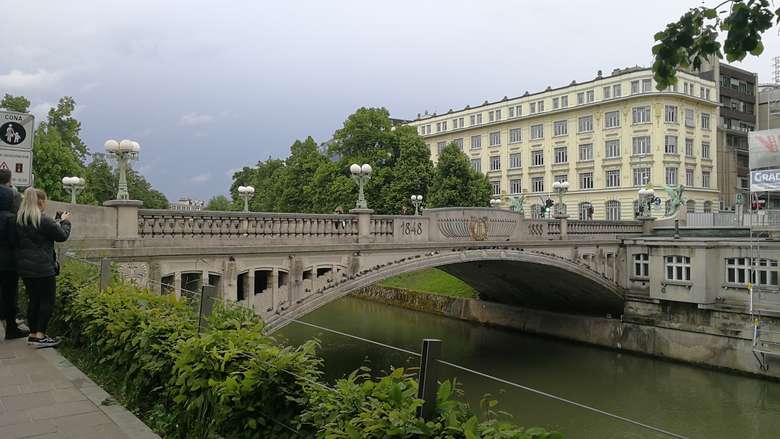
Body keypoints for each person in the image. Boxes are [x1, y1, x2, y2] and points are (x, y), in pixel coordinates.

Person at [15, 188, 71, 348]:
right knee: (47, 301)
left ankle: (33, 334)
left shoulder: (19, 220)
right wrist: (65, 221)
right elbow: (61, 236)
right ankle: (40, 335)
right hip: (43, 268)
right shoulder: (43, 220)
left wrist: (55, 222)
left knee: (34, 300)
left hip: (25, 268)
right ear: (40, 202)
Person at [0, 169, 28, 339]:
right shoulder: (13, 198)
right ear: (9, 180)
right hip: (8, 259)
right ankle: (11, 327)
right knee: (10, 293)